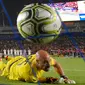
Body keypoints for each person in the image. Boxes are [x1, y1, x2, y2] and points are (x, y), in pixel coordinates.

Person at [0, 50, 75, 84]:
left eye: (48, 62)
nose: (48, 65)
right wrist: (55, 80)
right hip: (10, 70)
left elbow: (56, 64)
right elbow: (42, 79)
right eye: (45, 63)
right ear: (37, 61)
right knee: (2, 67)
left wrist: (64, 77)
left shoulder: (45, 58)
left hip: (19, 59)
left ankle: (6, 57)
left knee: (16, 58)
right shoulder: (29, 74)